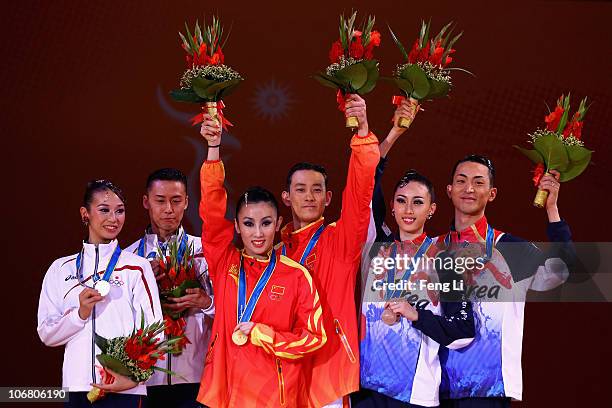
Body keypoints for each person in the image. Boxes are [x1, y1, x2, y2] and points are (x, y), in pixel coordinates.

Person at [196, 116, 327, 408]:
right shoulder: (224, 261)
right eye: (249, 223)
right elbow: (212, 206)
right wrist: (214, 147)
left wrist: (263, 334)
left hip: (276, 396)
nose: (257, 233)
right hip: (226, 394)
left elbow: (314, 337)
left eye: (266, 223)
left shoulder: (296, 276)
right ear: (237, 227)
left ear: (278, 223)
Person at [354, 99, 475, 408]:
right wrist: (393, 134)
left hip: (414, 395)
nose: (408, 209)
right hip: (365, 388)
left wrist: (416, 314)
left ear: (432, 209)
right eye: (401, 200)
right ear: (392, 205)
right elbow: (365, 182)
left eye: (418, 202)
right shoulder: (377, 244)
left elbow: (462, 332)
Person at [438, 155, 575, 408]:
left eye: (478, 183)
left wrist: (552, 209)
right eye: (461, 181)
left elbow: (563, 270)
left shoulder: (509, 248)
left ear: (491, 194)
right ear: (449, 190)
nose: (469, 189)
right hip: (432, 389)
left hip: (486, 388)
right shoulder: (433, 250)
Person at [278, 94, 380, 408]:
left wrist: (362, 134)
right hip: (281, 372)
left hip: (327, 373)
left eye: (317, 189)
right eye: (300, 189)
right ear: (286, 197)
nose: (309, 197)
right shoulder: (275, 252)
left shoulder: (341, 240)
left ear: (329, 197)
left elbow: (360, 195)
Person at [37, 180, 162, 408]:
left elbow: (155, 332)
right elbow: (46, 332)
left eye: (120, 211)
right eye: (104, 210)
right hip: (77, 389)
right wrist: (80, 314)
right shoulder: (60, 269)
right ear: (85, 214)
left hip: (124, 389)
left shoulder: (137, 267)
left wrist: (133, 378)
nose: (113, 218)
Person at [125, 168, 214, 408]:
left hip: (196, 375)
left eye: (176, 201)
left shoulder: (205, 252)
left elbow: (233, 309)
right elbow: (119, 320)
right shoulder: (130, 260)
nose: (168, 209)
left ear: (186, 202)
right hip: (146, 378)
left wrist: (207, 302)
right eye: (160, 200)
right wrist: (143, 285)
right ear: (146, 202)